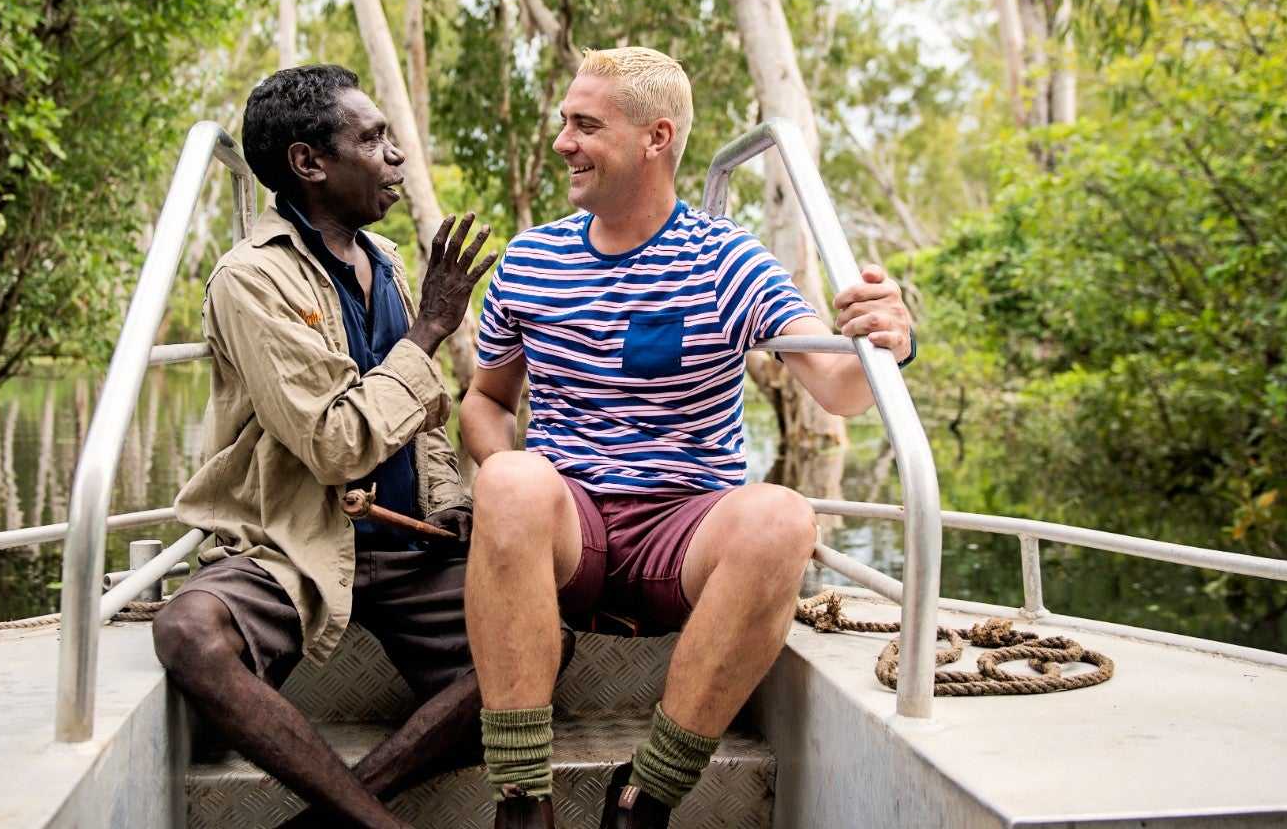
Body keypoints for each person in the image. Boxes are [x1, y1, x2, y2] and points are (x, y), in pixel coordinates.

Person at [460, 47, 915, 829]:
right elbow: (486, 401)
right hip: (574, 525)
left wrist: (891, 336)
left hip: (688, 529)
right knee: (507, 481)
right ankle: (521, 798)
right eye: (565, 122)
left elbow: (839, 386)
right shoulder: (531, 261)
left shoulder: (727, 259)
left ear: (655, 137)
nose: (563, 141)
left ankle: (648, 794)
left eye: (585, 124)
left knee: (782, 517)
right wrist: (513, 494)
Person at [152, 64, 497, 829]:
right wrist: (430, 330)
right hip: (296, 546)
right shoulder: (250, 280)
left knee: (545, 643)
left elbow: (427, 422)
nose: (395, 158)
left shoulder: (389, 265)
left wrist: (449, 502)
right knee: (186, 632)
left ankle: (335, 814)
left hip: (411, 551)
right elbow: (337, 446)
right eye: (372, 140)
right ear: (310, 163)